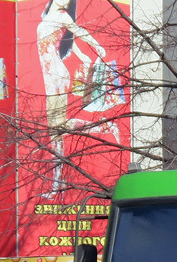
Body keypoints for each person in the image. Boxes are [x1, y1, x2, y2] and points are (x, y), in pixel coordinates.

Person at [37, 0, 110, 196]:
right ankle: (57, 183)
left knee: (56, 129)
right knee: (56, 131)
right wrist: (81, 54)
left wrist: (96, 47)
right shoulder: (47, 14)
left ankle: (57, 184)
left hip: (56, 75)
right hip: (50, 75)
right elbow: (69, 39)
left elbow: (79, 31)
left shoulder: (63, 16)